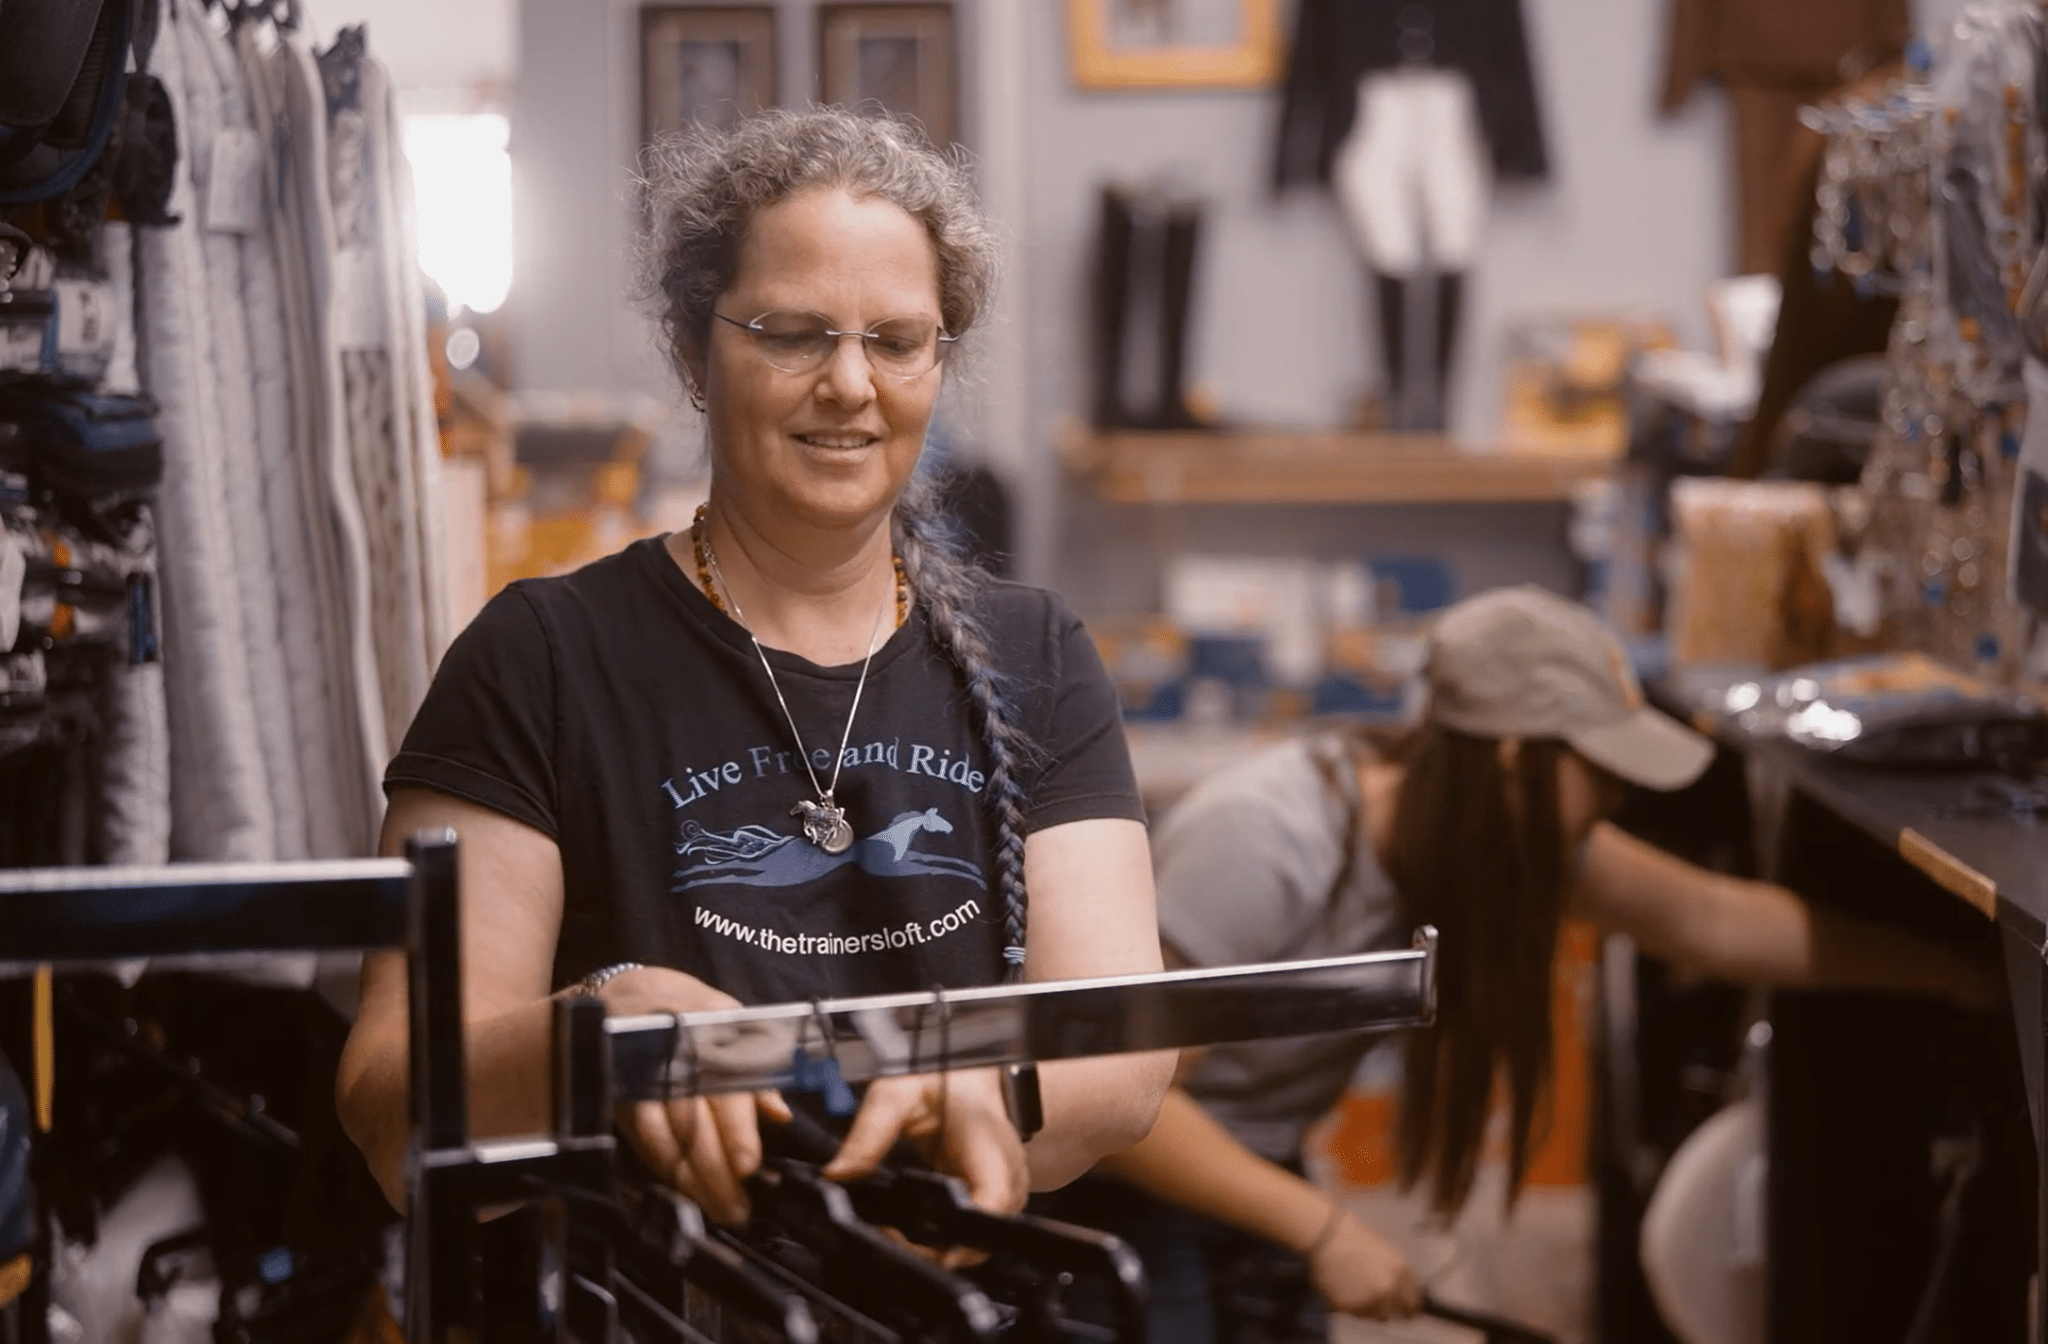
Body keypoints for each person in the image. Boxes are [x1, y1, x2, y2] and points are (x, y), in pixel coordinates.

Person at [333, 108, 1173, 1229]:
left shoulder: (1038, 655)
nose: (847, 384)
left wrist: (976, 1086)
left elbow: (1121, 1062)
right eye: (789, 332)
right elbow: (387, 1104)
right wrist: (593, 1022)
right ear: (692, 348)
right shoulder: (539, 658)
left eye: (895, 339)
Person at [1047, 585, 1993, 1342]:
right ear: (1511, 758)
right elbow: (1134, 1105)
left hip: (1257, 1159)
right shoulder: (1269, 843)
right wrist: (1323, 1228)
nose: (1616, 793)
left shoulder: (1494, 834)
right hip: (1130, 1186)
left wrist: (1966, 973)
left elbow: (1710, 921)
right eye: (1601, 764)